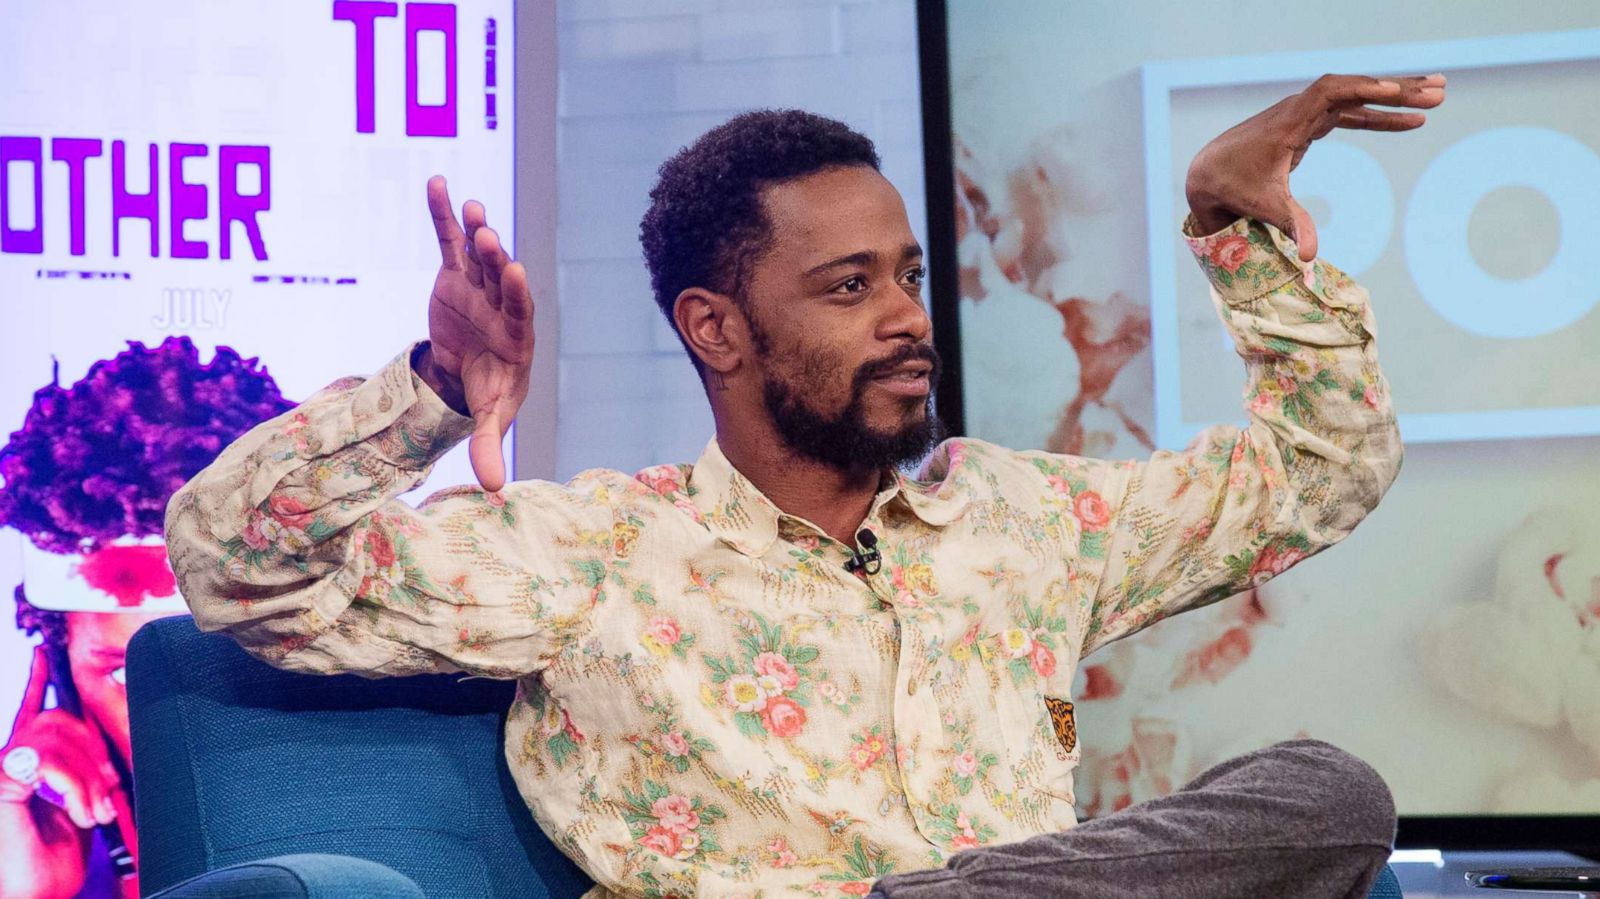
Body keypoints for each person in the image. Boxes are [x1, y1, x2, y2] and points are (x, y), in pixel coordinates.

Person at [165, 74, 1445, 898]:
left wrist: (1237, 232)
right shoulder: (588, 547)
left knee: (1333, 794)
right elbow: (231, 561)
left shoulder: (1029, 524)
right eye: (848, 288)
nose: (905, 318)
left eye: (906, 275)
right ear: (716, 330)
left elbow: (1318, 471)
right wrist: (436, 387)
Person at [0, 338, 294, 899]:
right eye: (126, 671)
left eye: (231, 651)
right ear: (60, 674)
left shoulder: (410, 811)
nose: (183, 712)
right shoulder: (55, 857)